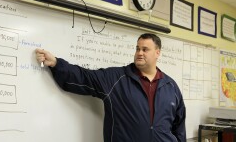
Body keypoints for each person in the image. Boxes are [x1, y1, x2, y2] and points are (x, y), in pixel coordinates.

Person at [35, 33, 186, 142]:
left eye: (145, 49)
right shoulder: (116, 78)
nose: (139, 53)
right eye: (137, 48)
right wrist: (56, 63)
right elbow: (84, 77)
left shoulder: (171, 86)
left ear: (157, 53)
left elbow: (179, 127)